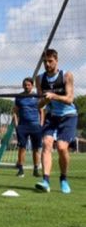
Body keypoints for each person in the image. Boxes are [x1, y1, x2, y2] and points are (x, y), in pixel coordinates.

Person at [35, 48, 78, 194]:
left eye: (50, 61)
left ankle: (63, 179)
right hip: (52, 116)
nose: (47, 64)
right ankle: (45, 181)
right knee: (46, 143)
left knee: (61, 147)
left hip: (68, 116)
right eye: (45, 62)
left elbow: (70, 99)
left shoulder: (66, 75)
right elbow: (39, 105)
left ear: (56, 60)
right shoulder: (40, 79)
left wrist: (54, 96)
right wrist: (45, 101)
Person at [12, 77, 42, 177]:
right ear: (22, 86)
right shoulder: (19, 97)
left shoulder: (37, 96)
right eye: (25, 85)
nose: (27, 86)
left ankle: (36, 170)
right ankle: (21, 170)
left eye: (29, 85)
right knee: (22, 148)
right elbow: (15, 112)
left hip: (35, 126)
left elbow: (41, 111)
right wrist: (17, 125)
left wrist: (41, 124)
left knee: (36, 149)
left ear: (32, 86)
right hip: (22, 127)